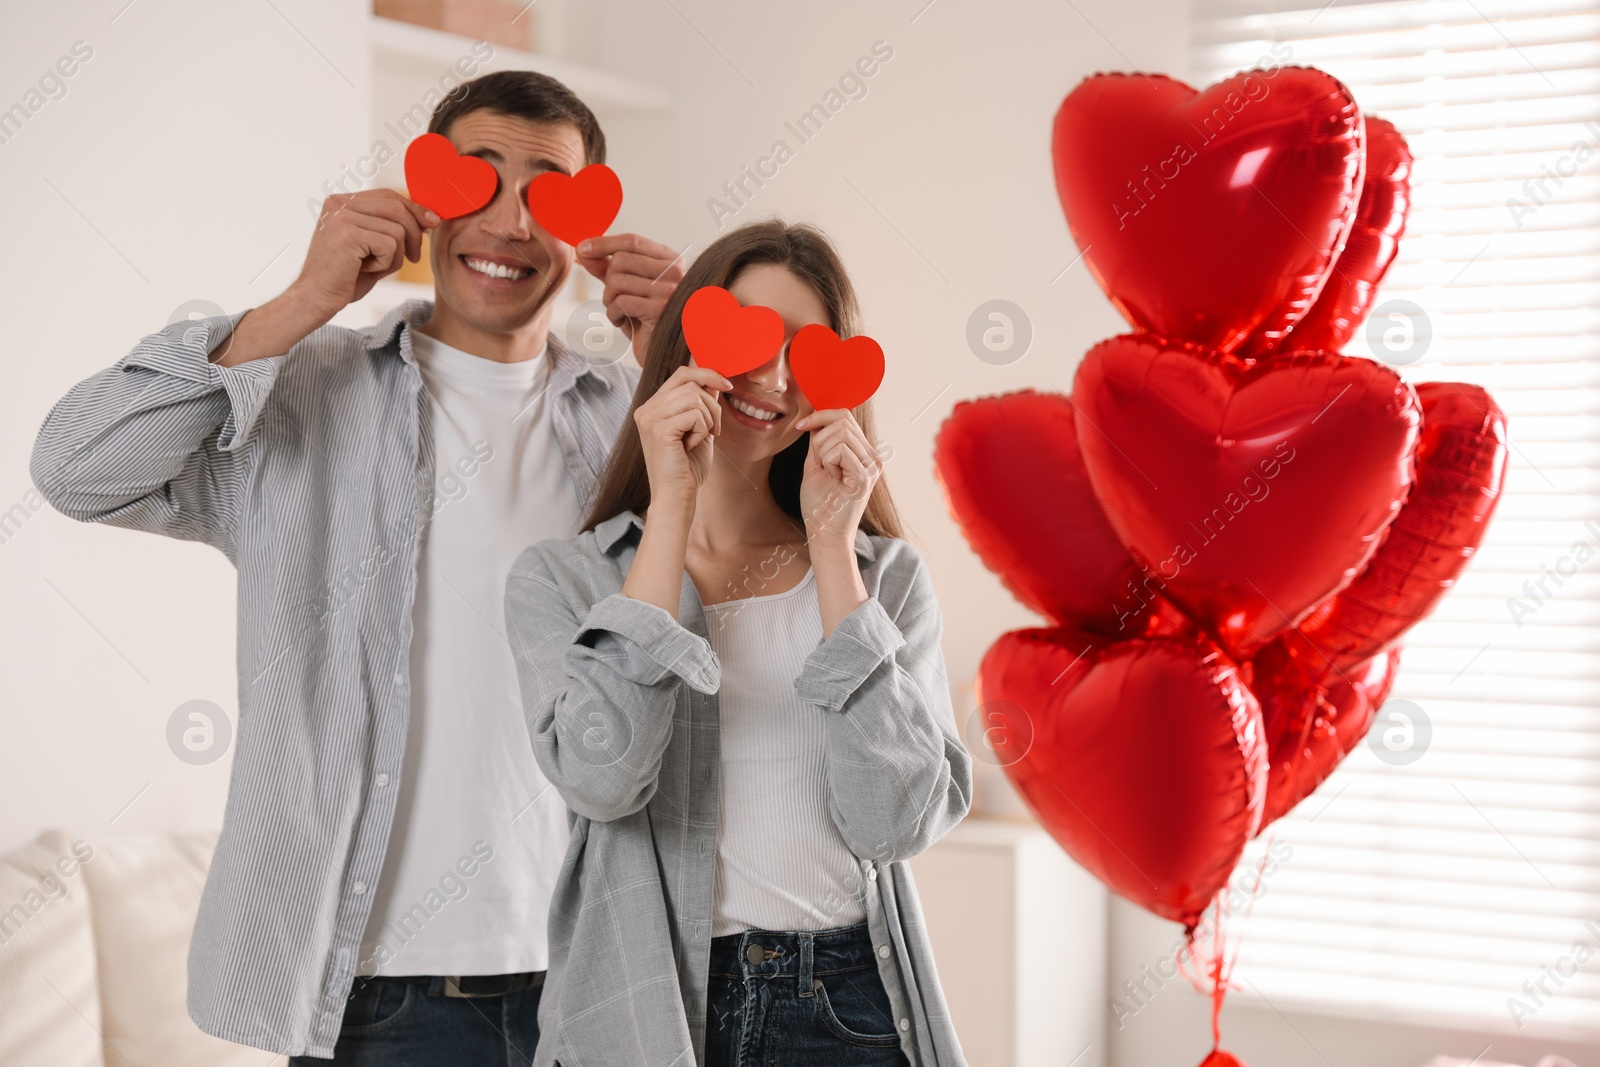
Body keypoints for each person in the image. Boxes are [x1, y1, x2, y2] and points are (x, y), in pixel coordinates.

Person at [29, 70, 685, 1064]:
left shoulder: (638, 420)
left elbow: (757, 607)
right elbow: (76, 468)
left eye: (547, 190)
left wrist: (681, 367)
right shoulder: (304, 396)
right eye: (476, 179)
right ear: (426, 203)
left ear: (587, 230)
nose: (509, 221)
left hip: (604, 979)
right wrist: (298, 303)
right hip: (379, 1001)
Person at [503, 220, 973, 1067]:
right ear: (686, 341)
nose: (776, 376)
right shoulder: (565, 579)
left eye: (808, 351)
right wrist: (671, 508)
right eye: (751, 336)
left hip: (848, 1004)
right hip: (651, 1006)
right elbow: (602, 780)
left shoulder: (884, 579)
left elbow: (896, 820)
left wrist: (833, 550)